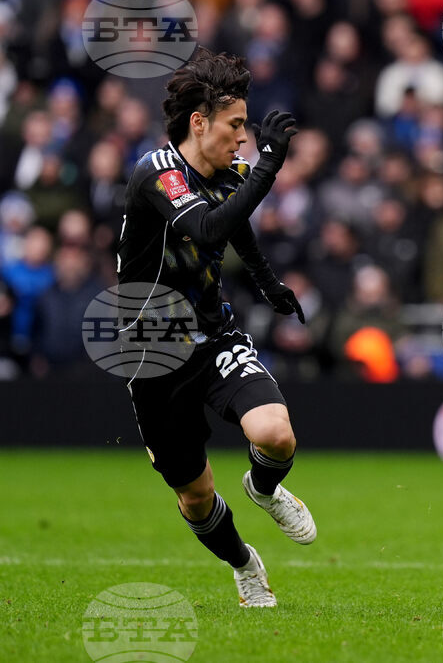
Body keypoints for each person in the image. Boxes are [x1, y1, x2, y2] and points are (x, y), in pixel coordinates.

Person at [117, 49, 316, 608]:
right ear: (198, 123)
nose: (243, 140)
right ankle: (244, 562)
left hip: (215, 335)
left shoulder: (230, 173)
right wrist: (271, 166)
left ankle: (264, 488)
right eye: (235, 126)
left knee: (275, 434)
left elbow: (239, 228)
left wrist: (268, 282)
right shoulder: (156, 172)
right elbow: (206, 229)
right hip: (153, 354)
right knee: (197, 497)